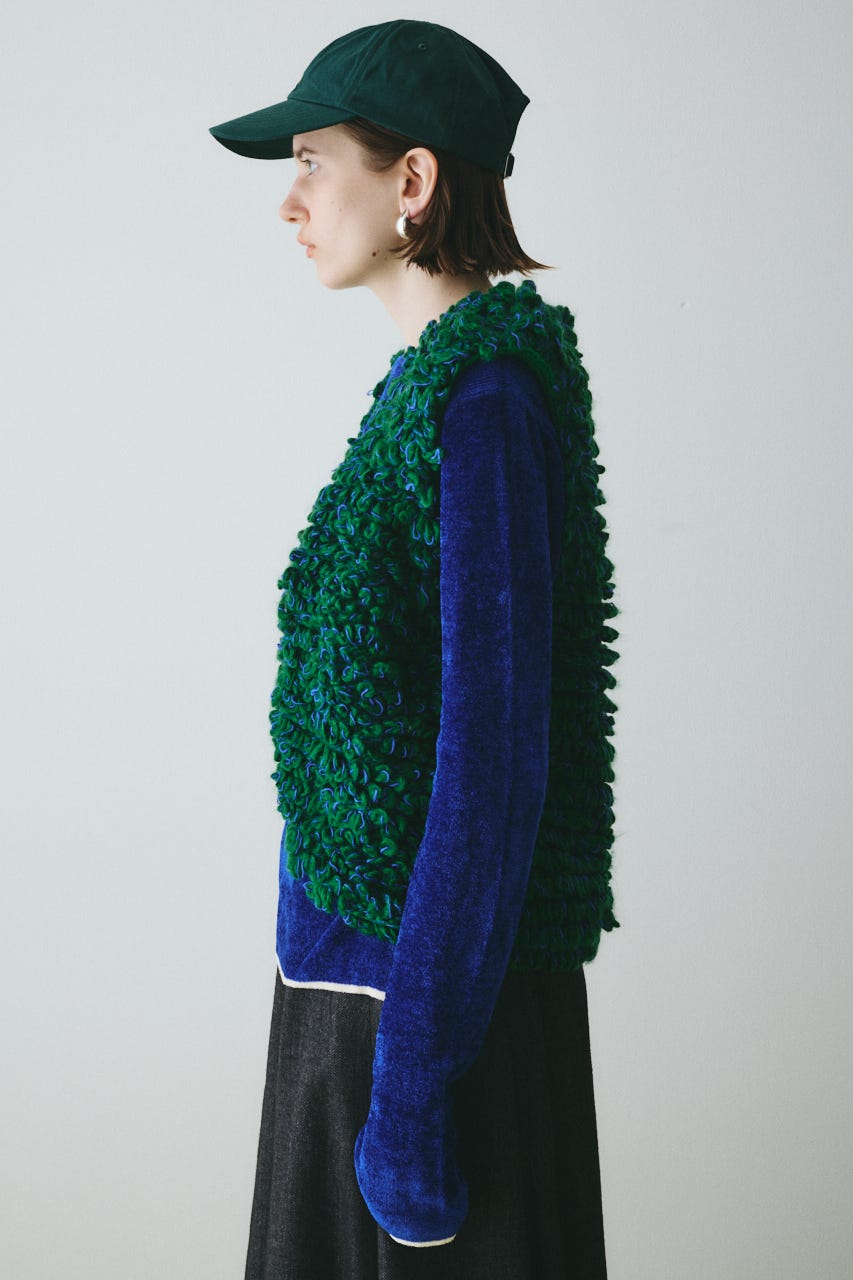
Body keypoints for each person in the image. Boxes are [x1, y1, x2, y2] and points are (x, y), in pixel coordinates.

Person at [209, 18, 620, 1279]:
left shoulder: (486, 405)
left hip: (427, 1022)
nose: (290, 201)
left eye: (312, 161)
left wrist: (409, 1099)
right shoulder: (427, 390)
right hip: (365, 996)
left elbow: (493, 771)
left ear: (414, 181)